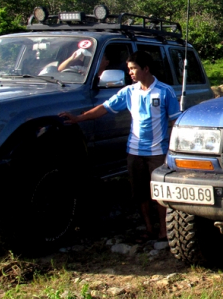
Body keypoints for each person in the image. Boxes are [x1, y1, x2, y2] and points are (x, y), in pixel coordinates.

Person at [59, 51, 181, 240]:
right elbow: (105, 108)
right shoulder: (128, 92)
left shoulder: (165, 91)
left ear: (146, 69)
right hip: (134, 151)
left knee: (160, 194)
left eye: (133, 69)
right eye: (129, 69)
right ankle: (149, 229)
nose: (130, 73)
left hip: (158, 152)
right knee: (140, 194)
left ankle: (164, 231)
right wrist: (79, 118)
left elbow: (176, 121)